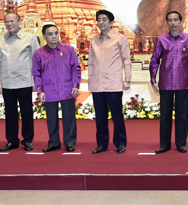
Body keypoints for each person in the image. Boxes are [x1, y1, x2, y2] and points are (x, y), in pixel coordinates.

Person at [150, 10, 188, 154]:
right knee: (165, 114)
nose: (173, 23)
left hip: (183, 82)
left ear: (181, 21)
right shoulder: (162, 39)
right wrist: (153, 78)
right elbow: (155, 60)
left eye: (175, 20)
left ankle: (181, 144)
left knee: (182, 114)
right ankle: (164, 145)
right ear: (167, 22)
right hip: (165, 82)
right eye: (170, 20)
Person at [0, 12, 40, 152]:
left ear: (20, 22)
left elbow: (36, 61)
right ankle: (12, 141)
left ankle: (27, 140)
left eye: (12, 21)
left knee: (27, 112)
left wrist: (36, 82)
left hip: (24, 81)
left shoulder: (30, 38)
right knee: (10, 113)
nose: (9, 24)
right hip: (7, 83)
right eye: (7, 22)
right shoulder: (0, 39)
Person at [88, 9, 132, 154]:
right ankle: (102, 144)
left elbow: (126, 60)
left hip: (113, 83)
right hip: (97, 83)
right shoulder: (94, 39)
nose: (101, 22)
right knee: (100, 116)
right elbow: (91, 62)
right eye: (99, 19)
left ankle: (120, 142)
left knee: (117, 115)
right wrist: (90, 80)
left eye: (104, 19)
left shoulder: (120, 39)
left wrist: (127, 80)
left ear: (111, 22)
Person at [32, 24, 81, 152]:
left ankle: (70, 142)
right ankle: (54, 143)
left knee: (69, 117)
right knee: (51, 118)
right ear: (44, 36)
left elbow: (76, 68)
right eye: (50, 34)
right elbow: (36, 74)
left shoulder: (68, 50)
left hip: (67, 88)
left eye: (55, 33)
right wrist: (40, 90)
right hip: (49, 90)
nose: (54, 36)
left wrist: (75, 84)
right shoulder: (39, 54)